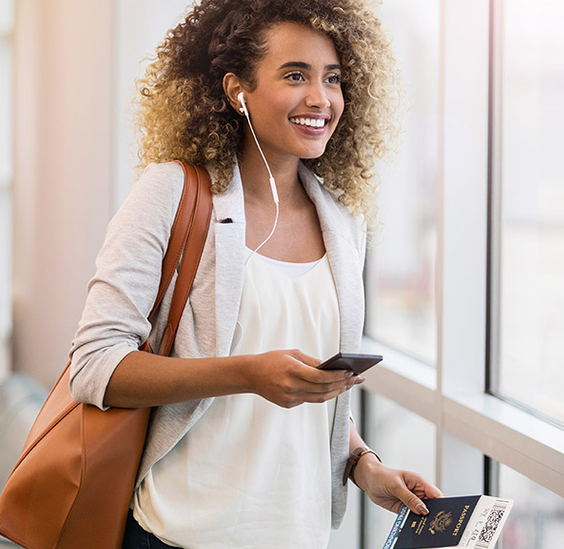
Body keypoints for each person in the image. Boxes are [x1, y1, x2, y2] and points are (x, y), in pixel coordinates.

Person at [67, 1, 442, 548]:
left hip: (298, 534)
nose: (320, 98)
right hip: (182, 534)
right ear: (236, 90)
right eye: (296, 75)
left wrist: (363, 465)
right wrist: (244, 373)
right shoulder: (172, 192)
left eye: (332, 78)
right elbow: (94, 365)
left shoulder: (342, 222)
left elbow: (303, 402)